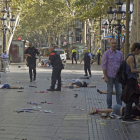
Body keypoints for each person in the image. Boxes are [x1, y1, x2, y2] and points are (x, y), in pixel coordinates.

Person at [102, 38, 123, 109]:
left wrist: (122, 76)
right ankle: (109, 107)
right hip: (110, 76)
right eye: (112, 43)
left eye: (115, 43)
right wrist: (105, 76)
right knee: (109, 92)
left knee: (119, 92)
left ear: (117, 44)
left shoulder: (120, 54)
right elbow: (104, 66)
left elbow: (122, 65)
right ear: (110, 44)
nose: (114, 45)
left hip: (118, 77)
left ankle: (119, 107)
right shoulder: (106, 54)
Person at [121, 43, 140, 123]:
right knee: (130, 98)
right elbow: (132, 70)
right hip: (131, 80)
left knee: (131, 98)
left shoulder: (130, 56)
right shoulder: (131, 57)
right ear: (136, 49)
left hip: (131, 79)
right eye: (139, 50)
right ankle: (126, 116)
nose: (139, 52)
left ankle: (127, 115)